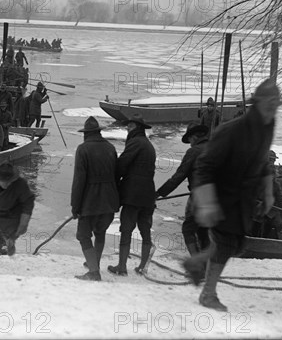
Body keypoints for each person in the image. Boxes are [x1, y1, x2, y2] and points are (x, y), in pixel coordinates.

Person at [184, 79, 282, 311]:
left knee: (235, 244)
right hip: (222, 194)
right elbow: (204, 166)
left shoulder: (267, 127)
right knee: (226, 243)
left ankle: (195, 262)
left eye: (276, 103)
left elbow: (263, 163)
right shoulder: (231, 131)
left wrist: (268, 193)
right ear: (257, 103)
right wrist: (208, 204)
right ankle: (208, 295)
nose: (273, 107)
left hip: (244, 198)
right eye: (268, 103)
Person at [71, 116, 120, 281]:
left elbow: (79, 181)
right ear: (98, 132)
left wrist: (75, 206)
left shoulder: (83, 149)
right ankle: (94, 263)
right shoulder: (111, 148)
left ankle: (93, 271)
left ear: (86, 134)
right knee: (100, 232)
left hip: (90, 201)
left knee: (83, 235)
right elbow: (117, 175)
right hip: (110, 199)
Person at [108, 113, 156, 276]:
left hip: (133, 194)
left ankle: (121, 267)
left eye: (131, 125)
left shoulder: (135, 142)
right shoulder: (148, 145)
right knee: (145, 230)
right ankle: (142, 267)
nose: (127, 128)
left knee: (126, 230)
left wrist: (113, 181)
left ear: (138, 128)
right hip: (148, 194)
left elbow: (123, 164)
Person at [157, 122, 210, 255]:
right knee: (204, 231)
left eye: (190, 140)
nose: (190, 143)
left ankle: (197, 264)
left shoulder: (194, 152)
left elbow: (179, 176)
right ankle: (206, 265)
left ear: (194, 137)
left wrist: (159, 193)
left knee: (188, 229)